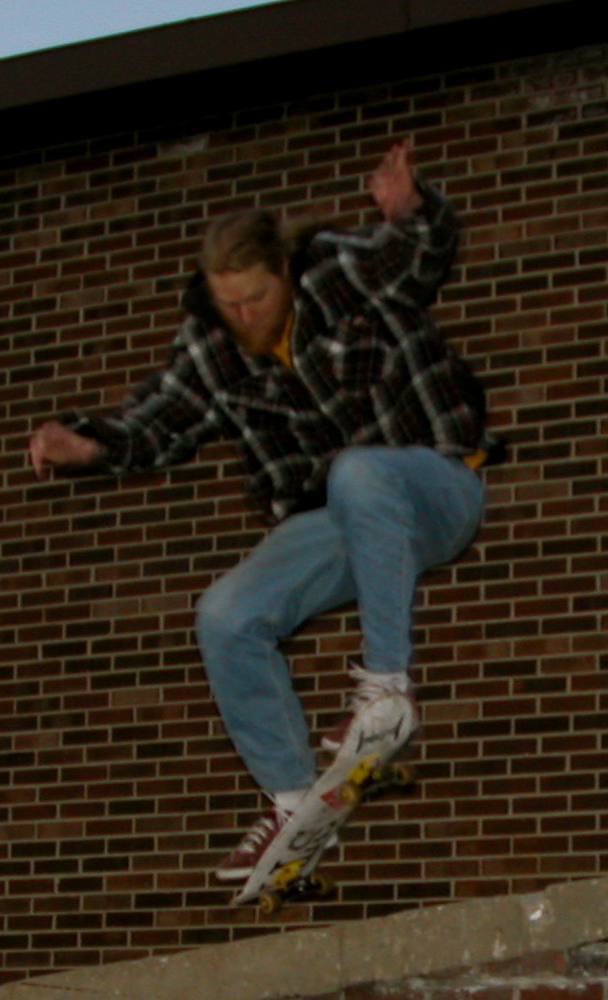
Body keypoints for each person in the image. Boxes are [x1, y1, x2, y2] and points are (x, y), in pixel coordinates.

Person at [28, 140, 494, 884]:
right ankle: (292, 802)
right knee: (225, 613)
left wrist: (412, 209)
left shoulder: (337, 273)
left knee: (359, 469)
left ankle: (387, 692)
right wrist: (88, 443)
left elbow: (418, 256)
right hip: (339, 523)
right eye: (230, 303)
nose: (246, 314)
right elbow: (157, 421)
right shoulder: (213, 346)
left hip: (434, 487)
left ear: (283, 271)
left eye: (257, 297)